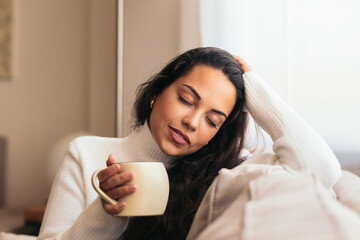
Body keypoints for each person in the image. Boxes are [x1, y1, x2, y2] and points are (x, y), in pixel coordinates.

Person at [38, 47, 341, 240]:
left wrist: (256, 89)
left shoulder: (226, 176)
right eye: (186, 100)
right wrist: (105, 213)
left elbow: (321, 170)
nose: (193, 122)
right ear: (158, 90)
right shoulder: (85, 152)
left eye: (212, 120)